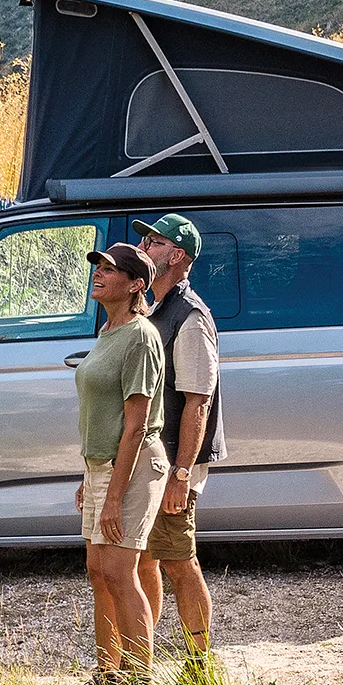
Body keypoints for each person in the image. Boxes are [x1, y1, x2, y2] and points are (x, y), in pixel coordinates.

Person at [73, 240, 169, 685]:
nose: (99, 273)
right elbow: (101, 413)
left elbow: (135, 427)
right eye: (98, 266)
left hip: (132, 468)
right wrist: (88, 477)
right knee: (98, 570)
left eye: (109, 269)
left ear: (135, 285)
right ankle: (108, 676)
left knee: (119, 570)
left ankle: (139, 684)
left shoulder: (141, 337)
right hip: (101, 468)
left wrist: (113, 494)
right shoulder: (108, 330)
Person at [133, 213, 224, 662]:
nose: (143, 248)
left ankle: (200, 670)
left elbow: (198, 403)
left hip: (175, 465)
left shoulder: (190, 317)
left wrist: (181, 474)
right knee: (143, 559)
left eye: (153, 242)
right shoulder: (155, 309)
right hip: (155, 461)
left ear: (177, 256)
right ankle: (142, 662)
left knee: (178, 561)